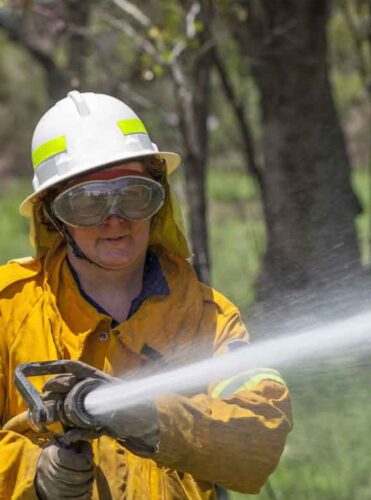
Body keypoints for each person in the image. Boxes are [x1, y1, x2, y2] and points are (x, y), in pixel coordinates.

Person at [0, 91, 292, 498]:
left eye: (133, 196)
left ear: (159, 199)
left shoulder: (208, 317)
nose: (114, 219)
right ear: (53, 214)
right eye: (87, 202)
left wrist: (157, 418)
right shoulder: (9, 310)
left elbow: (262, 434)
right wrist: (35, 474)